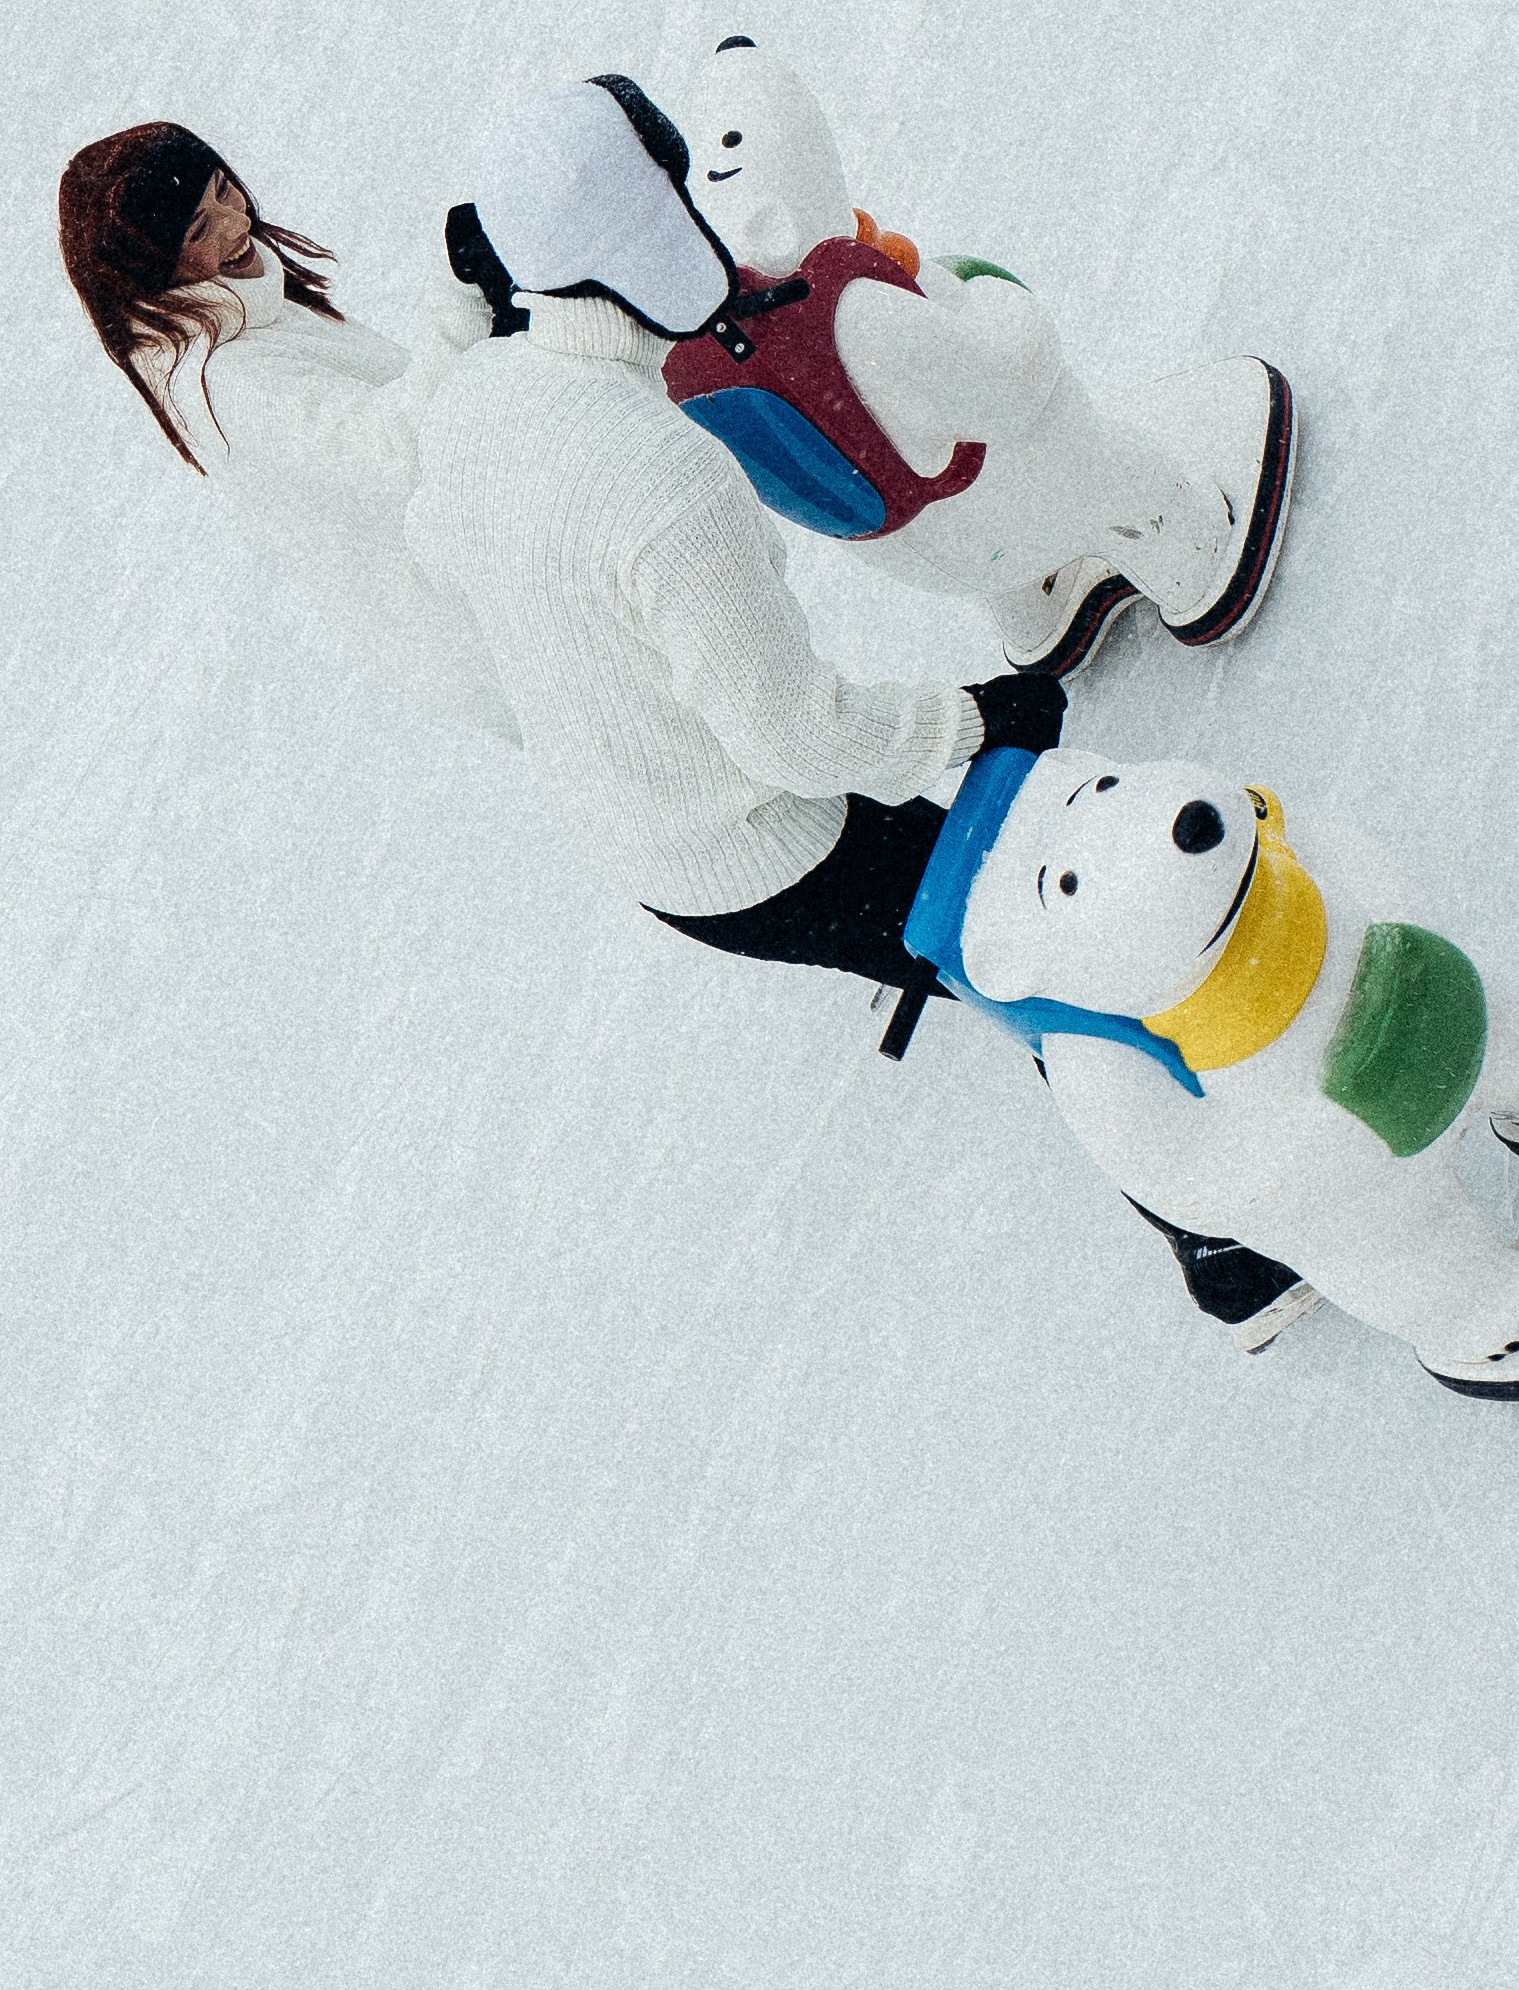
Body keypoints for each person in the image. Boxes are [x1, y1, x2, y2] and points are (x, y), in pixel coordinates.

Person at [414, 75, 1313, 1347]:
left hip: (637, 820)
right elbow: (793, 737)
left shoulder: (475, 404)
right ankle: (1232, 1250)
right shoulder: (664, 475)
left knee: (992, 944)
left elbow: (445, 557)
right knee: (1037, 954)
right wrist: (977, 721)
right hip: (765, 846)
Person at [57, 120, 510, 735]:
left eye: (223, 188)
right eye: (197, 228)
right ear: (151, 266)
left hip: (494, 569)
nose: (233, 222)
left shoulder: (239, 307)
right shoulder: (227, 378)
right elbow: (394, 452)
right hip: (489, 630)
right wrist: (464, 303)